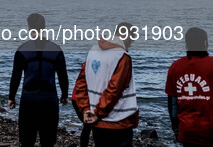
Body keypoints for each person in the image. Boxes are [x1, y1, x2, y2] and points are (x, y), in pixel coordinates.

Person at [73, 22, 139, 147]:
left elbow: (81, 83)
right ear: (126, 36)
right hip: (119, 121)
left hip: (97, 121)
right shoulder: (122, 57)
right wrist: (98, 112)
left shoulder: (92, 52)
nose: (131, 43)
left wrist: (85, 109)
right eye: (131, 39)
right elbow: (114, 89)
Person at [8, 13, 69, 147]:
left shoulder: (22, 49)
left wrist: (11, 97)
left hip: (29, 99)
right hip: (49, 99)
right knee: (48, 141)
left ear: (29, 28)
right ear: (44, 27)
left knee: (27, 141)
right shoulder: (56, 49)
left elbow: (16, 76)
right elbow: (63, 76)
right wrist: (64, 95)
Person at [165, 27, 213, 146]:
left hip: (188, 131)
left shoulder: (175, 67)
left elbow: (173, 103)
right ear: (205, 43)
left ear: (187, 44)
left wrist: (176, 128)